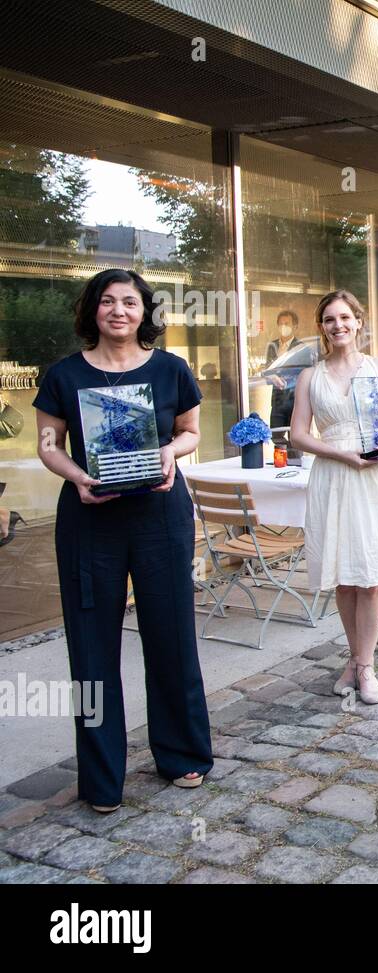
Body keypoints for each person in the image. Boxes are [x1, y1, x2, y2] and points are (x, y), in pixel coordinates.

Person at [33, 268, 212, 814]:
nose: (118, 311)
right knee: (90, 649)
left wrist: (169, 453)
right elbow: (48, 444)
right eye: (107, 302)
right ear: (92, 311)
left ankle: (183, 754)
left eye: (129, 302)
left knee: (172, 636)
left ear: (145, 312)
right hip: (91, 521)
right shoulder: (63, 376)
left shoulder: (170, 369)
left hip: (160, 515)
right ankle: (102, 779)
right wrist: (77, 476)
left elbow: (190, 431)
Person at [291, 291, 378, 705]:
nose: (338, 325)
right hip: (334, 473)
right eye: (329, 319)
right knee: (344, 579)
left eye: (345, 317)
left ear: (358, 322)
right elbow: (298, 434)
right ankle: (356, 658)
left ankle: (365, 666)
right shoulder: (311, 376)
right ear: (322, 327)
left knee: (371, 576)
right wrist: (341, 453)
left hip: (375, 476)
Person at [263, 309, 312, 429]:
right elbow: (267, 370)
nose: (283, 326)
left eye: (286, 324)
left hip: (295, 399)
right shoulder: (272, 346)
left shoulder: (302, 348)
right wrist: (269, 376)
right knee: (275, 435)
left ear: (295, 327)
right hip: (277, 399)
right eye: (280, 324)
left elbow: (306, 373)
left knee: (295, 438)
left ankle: (292, 448)